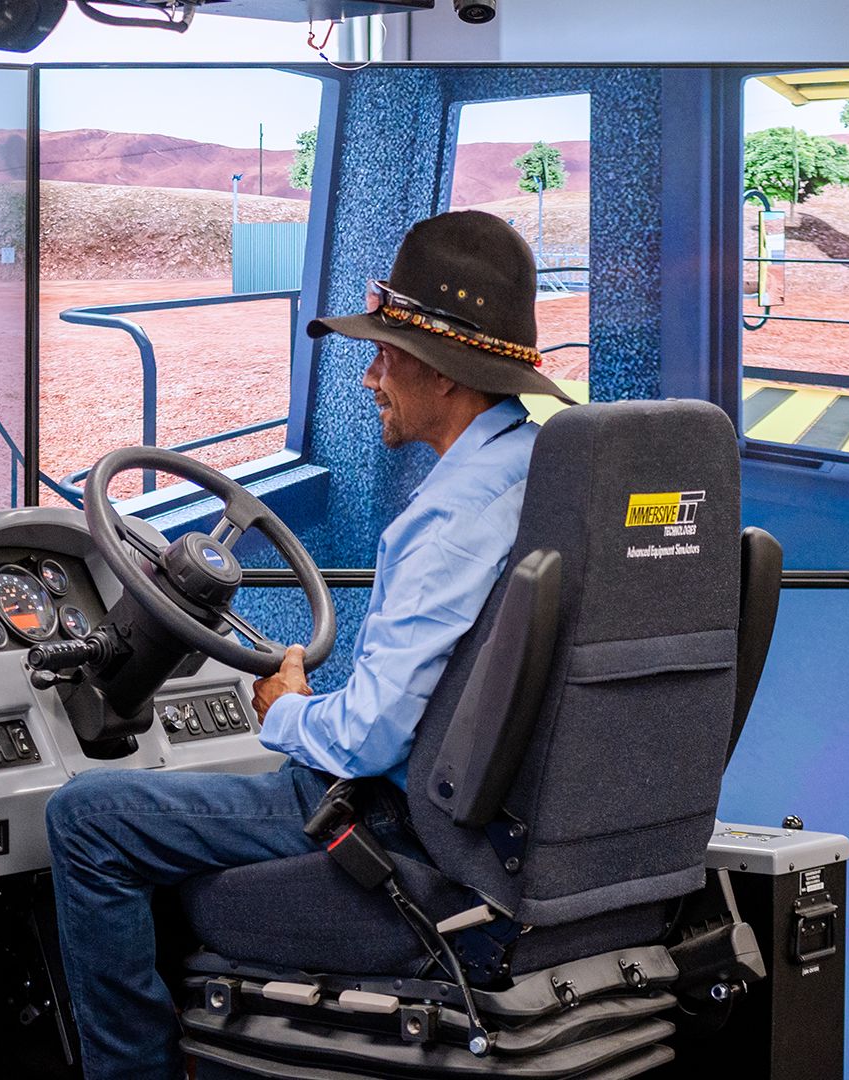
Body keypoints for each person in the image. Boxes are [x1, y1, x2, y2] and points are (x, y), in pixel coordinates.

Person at [44, 210, 576, 1080]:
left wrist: (286, 710)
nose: (370, 376)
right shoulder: (544, 474)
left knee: (87, 818)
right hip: (500, 831)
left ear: (443, 373)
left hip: (400, 830)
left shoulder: (445, 520)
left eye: (386, 353)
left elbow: (368, 739)